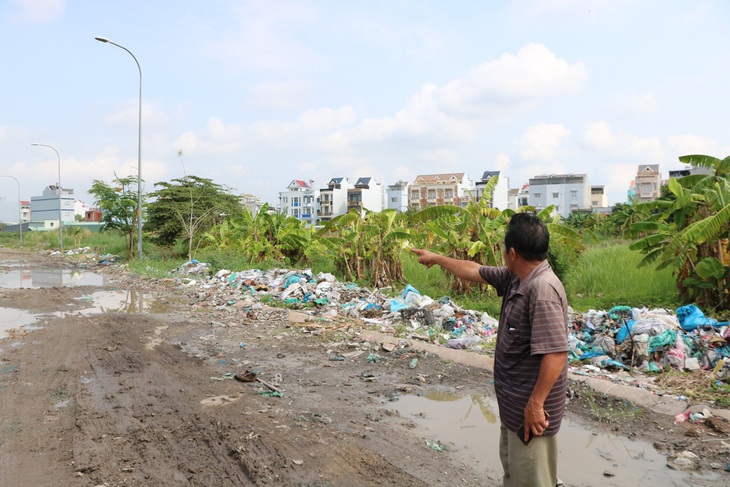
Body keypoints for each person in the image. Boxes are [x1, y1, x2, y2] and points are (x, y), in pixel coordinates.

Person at [411, 212, 568, 487]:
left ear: (512, 252)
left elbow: (556, 354)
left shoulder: (542, 289)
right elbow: (472, 269)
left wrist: (536, 404)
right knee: (516, 477)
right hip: (515, 410)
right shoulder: (517, 277)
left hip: (531, 417)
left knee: (532, 480)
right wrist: (436, 258)